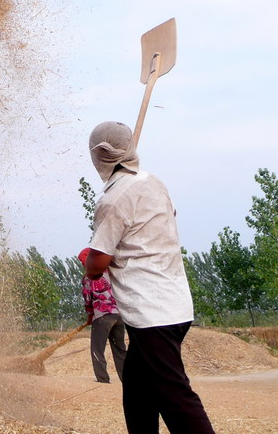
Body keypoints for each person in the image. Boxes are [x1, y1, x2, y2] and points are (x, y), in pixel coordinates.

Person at [84, 121, 215, 434]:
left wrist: (94, 254)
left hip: (152, 313)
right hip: (175, 304)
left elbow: (96, 265)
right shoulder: (153, 183)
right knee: (139, 392)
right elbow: (165, 220)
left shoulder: (113, 199)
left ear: (98, 157)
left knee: (175, 396)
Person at [77, 247, 127, 384]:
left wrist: (89, 317)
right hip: (119, 315)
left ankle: (103, 379)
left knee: (97, 348)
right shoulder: (111, 273)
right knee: (120, 349)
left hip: (102, 316)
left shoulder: (88, 277)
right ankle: (127, 379)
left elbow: (88, 300)